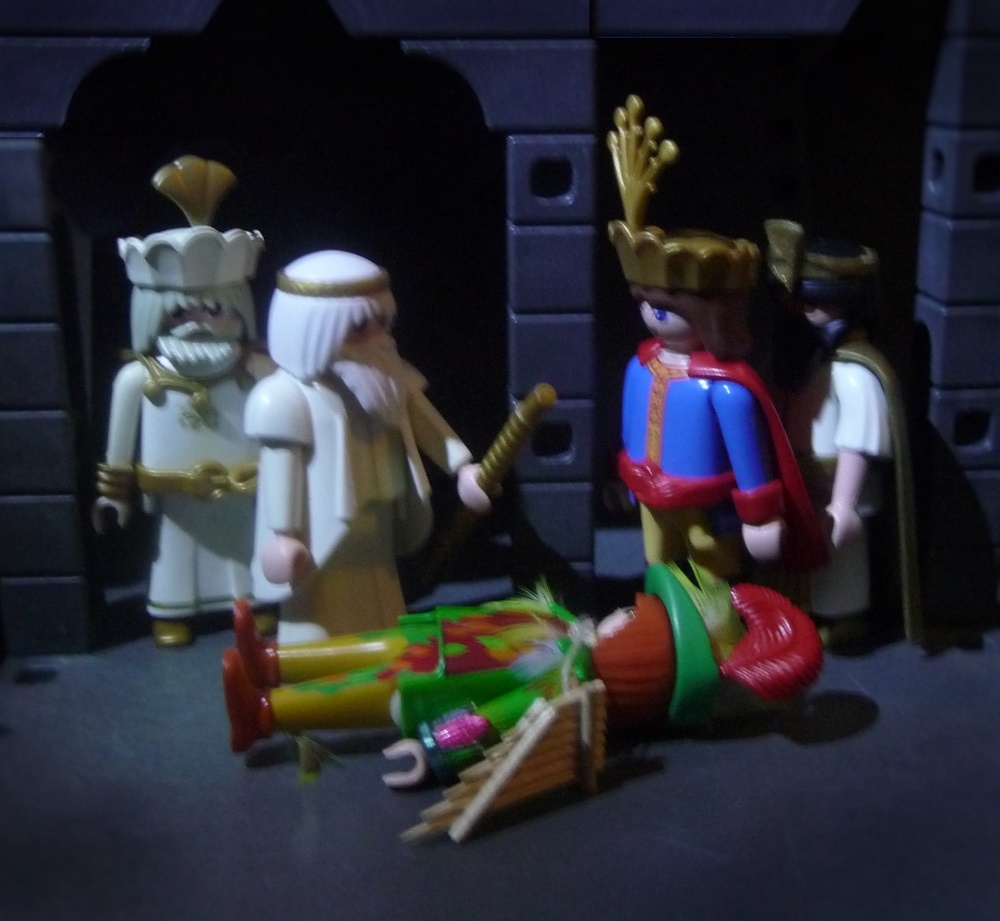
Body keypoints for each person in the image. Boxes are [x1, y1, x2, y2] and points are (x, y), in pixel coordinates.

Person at [222, 562, 824, 786]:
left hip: (433, 687)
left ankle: (267, 713)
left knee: (370, 686)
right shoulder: (560, 624)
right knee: (375, 646)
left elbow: (496, 720)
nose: (617, 614)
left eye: (629, 621)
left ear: (636, 657)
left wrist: (433, 748)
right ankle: (271, 661)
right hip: (434, 640)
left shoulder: (566, 682)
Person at [606, 96, 826, 600]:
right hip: (651, 493)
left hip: (707, 502)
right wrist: (624, 475)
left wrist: (760, 514)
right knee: (657, 563)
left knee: (711, 564)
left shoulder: (726, 389)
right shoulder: (641, 365)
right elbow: (631, 427)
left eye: (665, 307)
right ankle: (662, 617)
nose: (652, 316)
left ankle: (719, 625)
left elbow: (750, 455)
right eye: (646, 304)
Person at [245, 249, 491, 642]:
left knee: (380, 588)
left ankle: (383, 641)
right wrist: (283, 534)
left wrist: (462, 469)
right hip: (319, 526)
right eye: (360, 327)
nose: (378, 338)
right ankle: (316, 656)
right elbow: (281, 467)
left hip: (380, 513)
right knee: (319, 601)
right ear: (311, 329)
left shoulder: (391, 379)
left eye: (383, 322)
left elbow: (428, 425)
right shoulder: (283, 398)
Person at [93, 157, 271, 647]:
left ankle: (253, 604)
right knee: (174, 553)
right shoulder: (137, 378)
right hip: (175, 497)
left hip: (244, 488)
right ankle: (174, 612)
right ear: (153, 314)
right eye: (181, 314)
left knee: (244, 545)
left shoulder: (257, 370)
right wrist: (114, 492)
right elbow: (118, 445)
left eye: (215, 310)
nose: (200, 323)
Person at [764, 219, 922, 642]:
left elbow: (859, 439)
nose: (798, 312)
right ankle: (800, 611)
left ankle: (843, 616)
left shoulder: (856, 373)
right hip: (799, 478)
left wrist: (845, 503)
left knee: (839, 559)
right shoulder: (803, 361)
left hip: (837, 483)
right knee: (799, 555)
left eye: (810, 303)